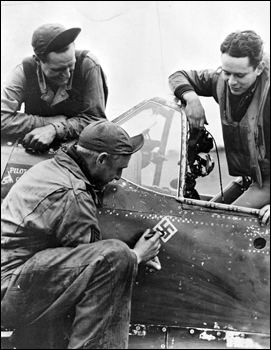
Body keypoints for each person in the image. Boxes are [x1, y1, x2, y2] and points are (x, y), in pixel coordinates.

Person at [1, 120, 163, 349]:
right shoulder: (72, 193)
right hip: (9, 291)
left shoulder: (55, 168)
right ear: (101, 159)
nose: (118, 177)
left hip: (13, 279)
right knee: (114, 258)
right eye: (118, 169)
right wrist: (137, 255)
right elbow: (96, 263)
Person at [168, 30, 270, 225]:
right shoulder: (221, 82)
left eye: (240, 75)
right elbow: (178, 76)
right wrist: (191, 98)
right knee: (200, 219)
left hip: (267, 185)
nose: (231, 81)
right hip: (251, 179)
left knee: (218, 227)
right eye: (227, 72)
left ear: (259, 68)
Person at [1, 23, 108, 151]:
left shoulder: (89, 65)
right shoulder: (24, 71)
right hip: (34, 150)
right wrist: (47, 122)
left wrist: (54, 129)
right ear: (38, 61)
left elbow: (96, 121)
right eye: (58, 69)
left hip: (77, 153)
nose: (67, 74)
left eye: (71, 66)